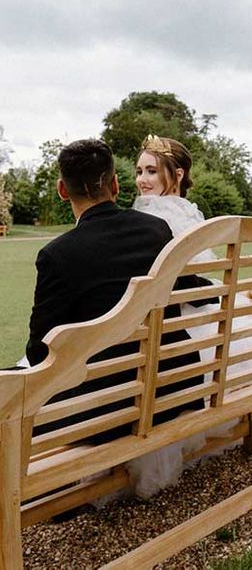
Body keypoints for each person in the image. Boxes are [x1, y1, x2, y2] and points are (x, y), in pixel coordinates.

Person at [24, 138, 204, 442]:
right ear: (116, 185)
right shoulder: (157, 230)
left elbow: (40, 352)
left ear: (62, 190)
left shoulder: (57, 254)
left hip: (106, 408)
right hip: (174, 386)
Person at [127, 134, 252, 497]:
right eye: (140, 171)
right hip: (199, 314)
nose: (142, 180)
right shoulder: (191, 213)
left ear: (175, 175)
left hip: (172, 322)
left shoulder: (151, 216)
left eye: (152, 172)